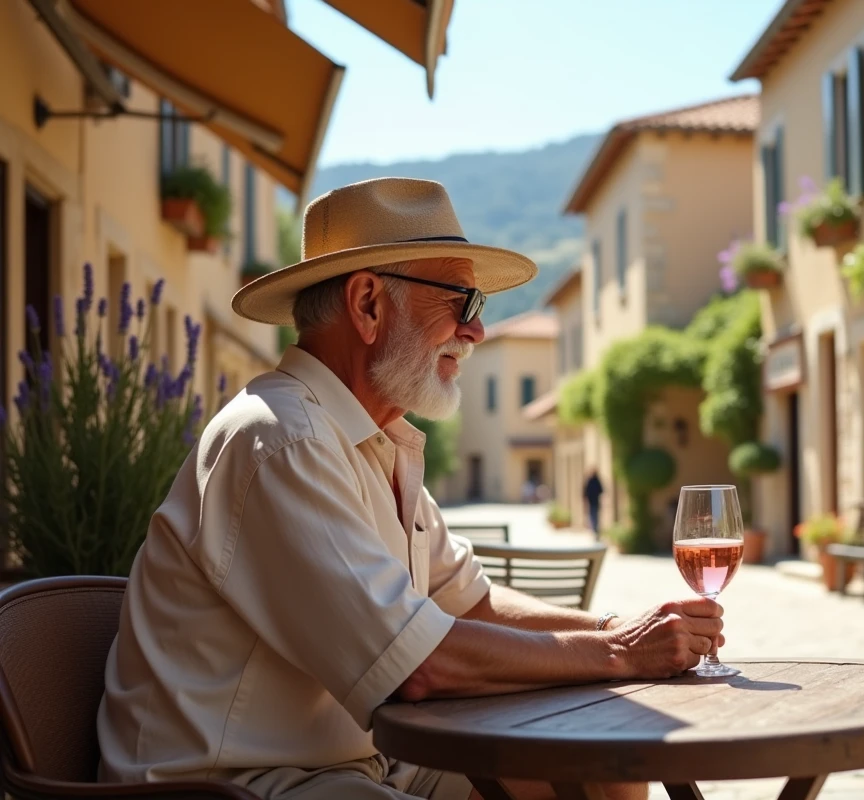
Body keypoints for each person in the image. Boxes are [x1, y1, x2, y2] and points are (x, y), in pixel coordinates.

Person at [96, 178, 723, 800]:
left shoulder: (373, 439)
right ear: (367, 304)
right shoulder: (284, 438)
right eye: (461, 301)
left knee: (602, 771)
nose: (475, 331)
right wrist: (617, 654)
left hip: (365, 765)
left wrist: (616, 627)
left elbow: (467, 605)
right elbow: (418, 665)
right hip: (239, 784)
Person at [583, 470, 604, 537]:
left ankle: (595, 529)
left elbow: (586, 492)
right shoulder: (594, 481)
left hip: (593, 502)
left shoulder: (593, 481)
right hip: (594, 502)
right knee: (594, 516)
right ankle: (595, 529)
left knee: (593, 516)